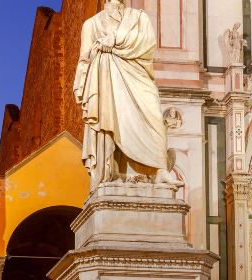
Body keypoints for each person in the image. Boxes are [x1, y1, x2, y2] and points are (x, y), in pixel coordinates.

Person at [73, 0, 181, 189]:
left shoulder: (139, 18)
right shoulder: (92, 24)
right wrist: (80, 86)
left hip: (137, 75)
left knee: (154, 114)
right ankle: (112, 172)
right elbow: (85, 57)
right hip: (106, 78)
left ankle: (159, 170)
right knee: (111, 121)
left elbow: (148, 43)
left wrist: (113, 41)